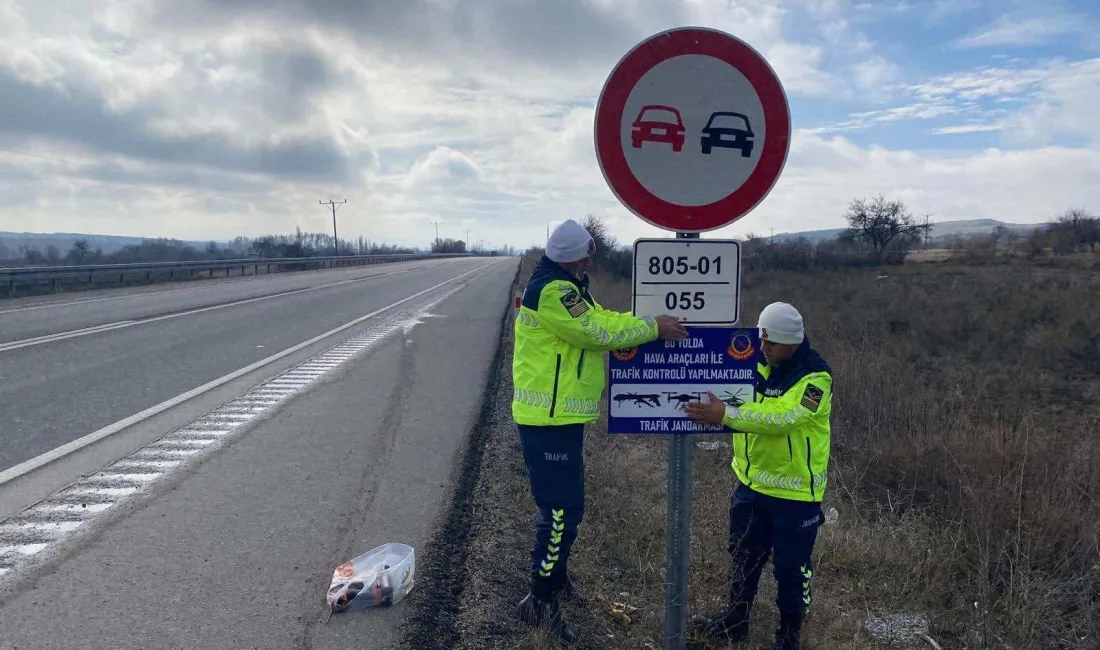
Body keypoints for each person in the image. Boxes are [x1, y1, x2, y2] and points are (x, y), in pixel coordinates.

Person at [511, 219, 688, 645]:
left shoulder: (567, 286)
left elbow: (601, 317)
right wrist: (652, 328)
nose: (591, 259)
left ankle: (557, 577)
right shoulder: (553, 291)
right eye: (588, 254)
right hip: (547, 421)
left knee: (569, 507)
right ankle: (539, 599)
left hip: (559, 419)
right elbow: (596, 332)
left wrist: (641, 319)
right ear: (576, 256)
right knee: (560, 513)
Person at [683, 302, 833, 650]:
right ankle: (735, 622)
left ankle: (789, 635)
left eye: (771, 343)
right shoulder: (758, 360)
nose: (763, 348)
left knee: (791, 570)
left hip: (795, 496)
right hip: (751, 486)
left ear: (792, 342)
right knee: (742, 557)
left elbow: (783, 419)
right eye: (761, 340)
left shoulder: (816, 379)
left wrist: (727, 414)